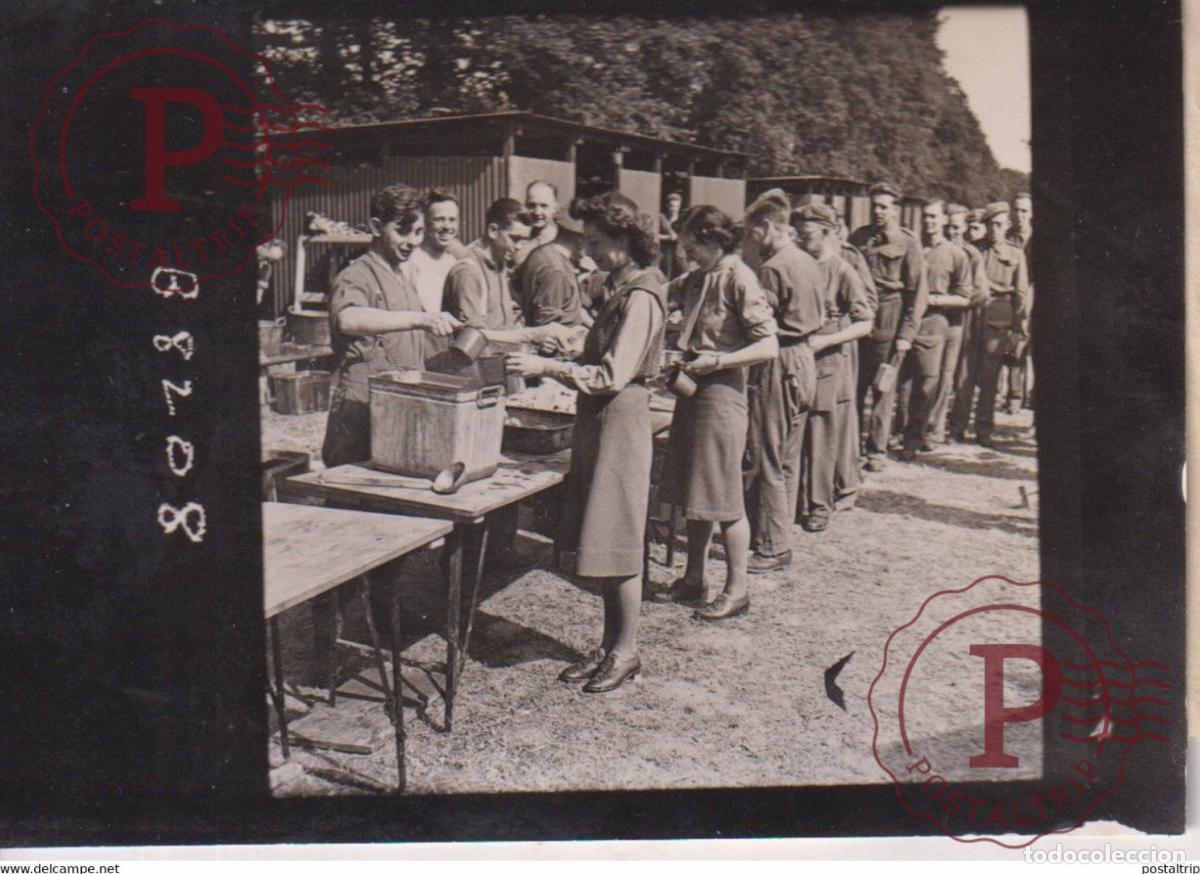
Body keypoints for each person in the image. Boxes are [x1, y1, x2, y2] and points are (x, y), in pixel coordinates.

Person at [504, 192, 666, 693]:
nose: (588, 252)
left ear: (624, 239)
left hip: (621, 420)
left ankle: (626, 651)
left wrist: (547, 366)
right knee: (603, 535)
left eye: (596, 242)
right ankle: (609, 644)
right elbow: (605, 356)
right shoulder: (623, 288)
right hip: (601, 420)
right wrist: (572, 347)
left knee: (620, 539)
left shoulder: (642, 295)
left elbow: (613, 374)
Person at [651, 206, 779, 621]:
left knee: (724, 496)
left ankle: (737, 590)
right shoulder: (698, 276)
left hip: (722, 395)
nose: (686, 255)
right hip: (692, 390)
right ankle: (694, 579)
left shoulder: (739, 277)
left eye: (693, 247)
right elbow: (656, 294)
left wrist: (719, 361)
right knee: (697, 490)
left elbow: (768, 346)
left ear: (715, 240)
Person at [321, 184, 460, 467]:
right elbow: (348, 319)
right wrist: (421, 319)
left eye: (419, 232)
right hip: (360, 407)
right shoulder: (357, 274)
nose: (412, 241)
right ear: (376, 227)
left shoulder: (403, 275)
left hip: (400, 403)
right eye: (402, 231)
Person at [741, 195, 824, 570]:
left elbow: (761, 323)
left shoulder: (772, 268)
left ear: (768, 227)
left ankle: (772, 546)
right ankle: (777, 531)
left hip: (780, 361)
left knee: (766, 456)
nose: (752, 239)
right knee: (788, 456)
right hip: (806, 359)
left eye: (753, 232)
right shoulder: (807, 260)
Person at [792, 204, 874, 529]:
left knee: (822, 437)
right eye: (798, 234)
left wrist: (827, 341)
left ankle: (819, 505)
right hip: (798, 362)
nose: (801, 240)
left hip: (827, 364)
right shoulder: (798, 266)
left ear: (826, 232)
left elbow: (865, 322)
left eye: (807, 234)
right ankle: (794, 501)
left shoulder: (842, 271)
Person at [849, 182, 928, 472]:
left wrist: (906, 334)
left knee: (883, 385)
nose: (878, 211)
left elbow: (917, 294)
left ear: (896, 210)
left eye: (884, 207)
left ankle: (876, 450)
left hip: (889, 316)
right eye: (874, 206)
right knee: (854, 384)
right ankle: (851, 445)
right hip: (858, 315)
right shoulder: (859, 237)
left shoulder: (908, 243)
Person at [894, 200, 972, 460]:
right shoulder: (912, 247)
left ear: (944, 220)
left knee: (926, 384)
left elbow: (965, 297)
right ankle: (899, 431)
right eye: (926, 217)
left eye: (934, 217)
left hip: (933, 321)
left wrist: (934, 300)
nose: (929, 222)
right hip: (905, 320)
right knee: (901, 383)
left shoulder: (955, 254)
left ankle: (913, 439)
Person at [947, 202, 1030, 447]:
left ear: (1007, 226)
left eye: (999, 224)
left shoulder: (1016, 254)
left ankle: (984, 430)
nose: (995, 229)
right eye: (991, 224)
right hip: (972, 316)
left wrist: (1017, 329)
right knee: (964, 375)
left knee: (990, 377)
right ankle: (957, 427)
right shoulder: (974, 250)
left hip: (998, 319)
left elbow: (1021, 295)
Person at [927, 202, 988, 444]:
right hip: (933, 320)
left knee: (950, 373)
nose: (953, 232)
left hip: (957, 320)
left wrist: (956, 303)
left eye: (957, 227)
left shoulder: (970, 254)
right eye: (950, 227)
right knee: (930, 373)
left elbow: (981, 292)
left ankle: (944, 427)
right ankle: (925, 425)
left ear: (964, 228)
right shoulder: (934, 249)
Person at [833, 220, 877, 510]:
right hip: (817, 344)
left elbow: (869, 301)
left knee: (844, 413)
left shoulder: (849, 257)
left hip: (843, 343)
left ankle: (847, 483)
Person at [443, 198, 531, 330]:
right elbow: (472, 334)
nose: (519, 247)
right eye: (515, 238)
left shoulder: (500, 265)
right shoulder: (467, 273)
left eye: (523, 240)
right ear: (493, 231)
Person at [513, 210, 586, 328]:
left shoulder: (541, 252)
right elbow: (547, 323)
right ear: (580, 239)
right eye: (592, 241)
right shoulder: (556, 271)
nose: (592, 250)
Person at [406, 189, 468, 315]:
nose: (447, 226)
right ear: (425, 223)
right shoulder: (411, 262)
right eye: (439, 219)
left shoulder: (455, 263)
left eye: (452, 220)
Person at [1003, 191, 1034, 414]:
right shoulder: (1007, 237)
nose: (1020, 215)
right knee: (1014, 342)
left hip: (1033, 291)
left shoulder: (1038, 238)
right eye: (1017, 210)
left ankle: (1032, 395)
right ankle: (1014, 395)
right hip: (1011, 293)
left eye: (1024, 211)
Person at [658, 191, 685, 279]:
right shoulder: (661, 218)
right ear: (667, 205)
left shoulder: (683, 219)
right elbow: (655, 235)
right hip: (665, 254)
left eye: (676, 207)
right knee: (665, 276)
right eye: (672, 206)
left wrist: (678, 237)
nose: (674, 209)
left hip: (680, 254)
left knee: (682, 276)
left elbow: (687, 235)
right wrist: (668, 237)